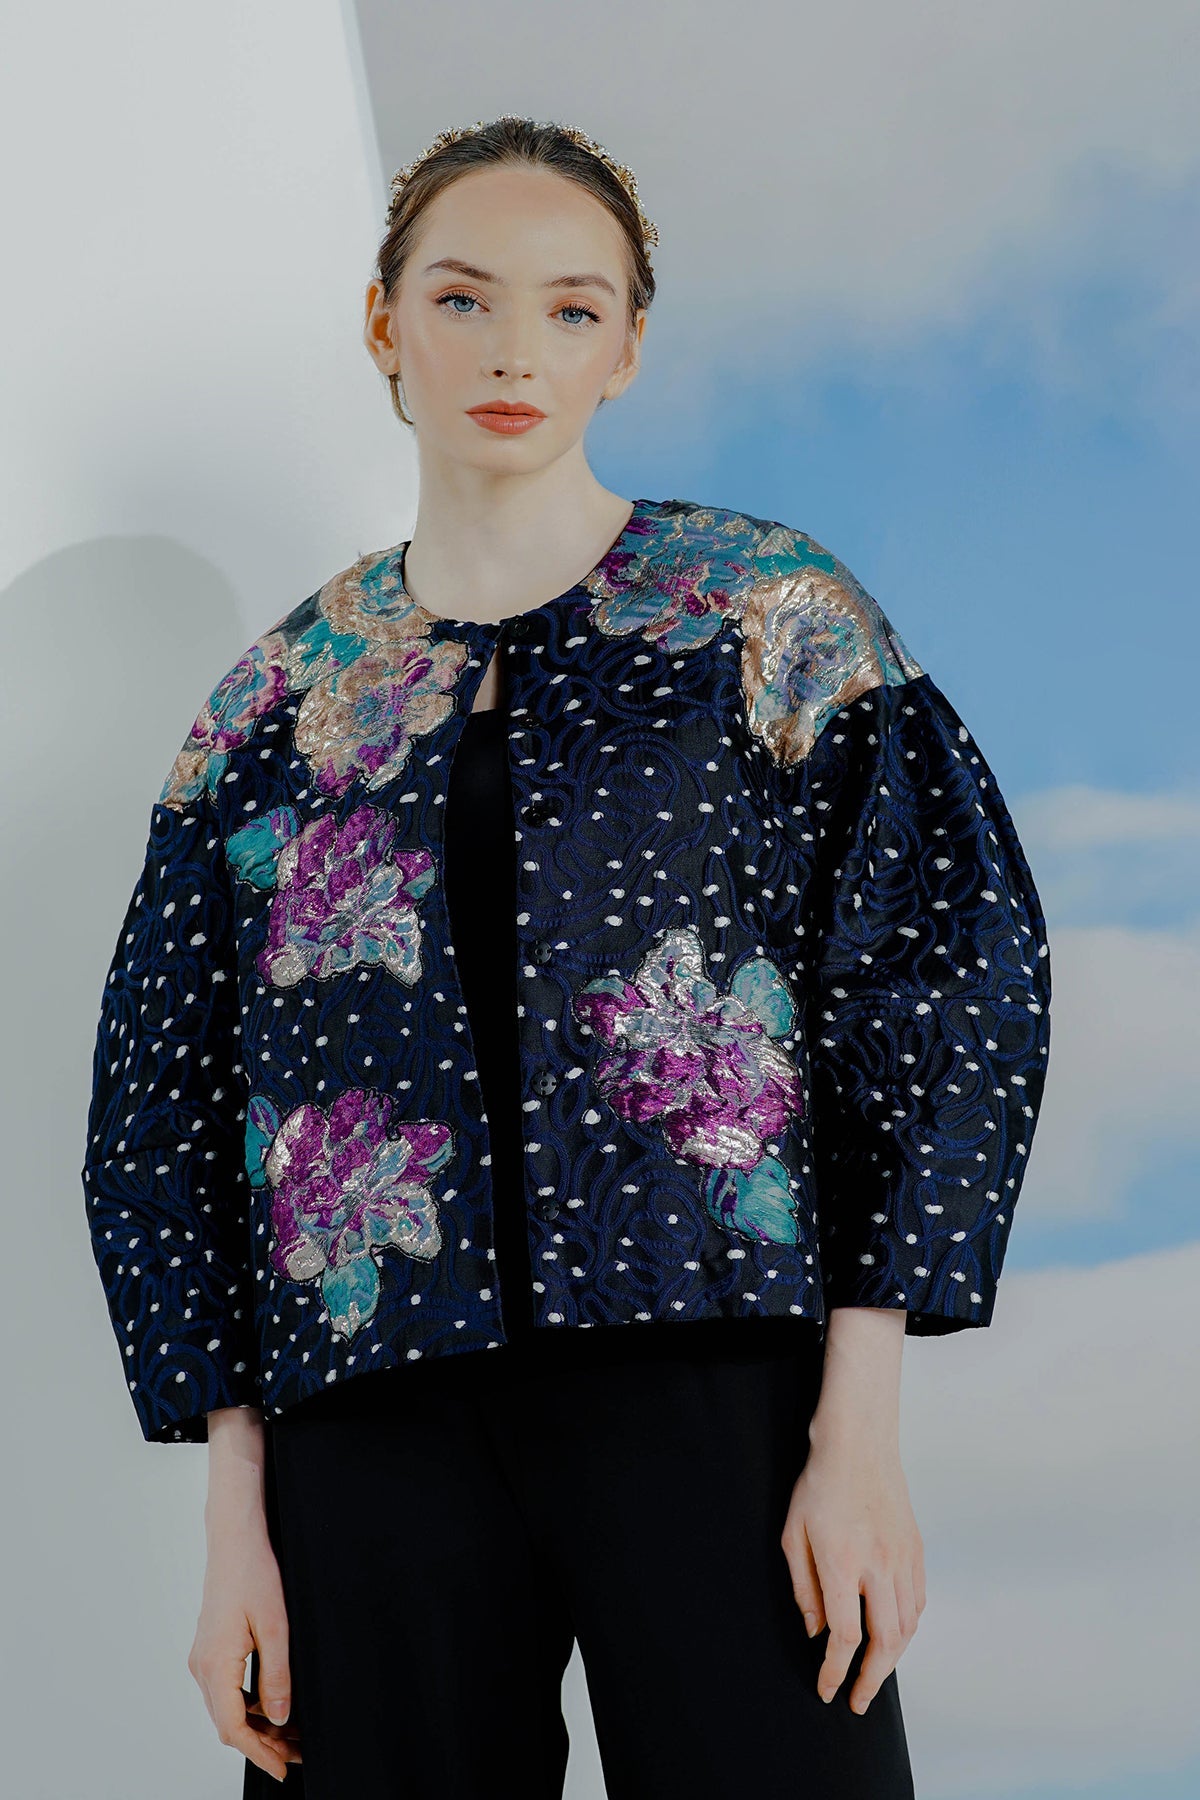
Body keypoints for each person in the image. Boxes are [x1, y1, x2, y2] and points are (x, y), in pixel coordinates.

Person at [81, 115, 1052, 1798]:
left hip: (716, 1374)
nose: (514, 351)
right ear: (384, 323)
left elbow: (943, 984)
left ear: (629, 346)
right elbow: (164, 1105)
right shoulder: (273, 706)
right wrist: (239, 1521)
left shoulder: (766, 615)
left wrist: (860, 1432)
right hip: (369, 1417)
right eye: (463, 299)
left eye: (572, 308)